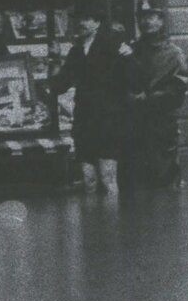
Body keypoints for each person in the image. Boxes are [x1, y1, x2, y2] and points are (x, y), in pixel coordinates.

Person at [43, 11, 132, 195]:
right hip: (84, 123)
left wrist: (129, 55)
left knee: (108, 180)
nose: (80, 23)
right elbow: (59, 85)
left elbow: (133, 80)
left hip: (108, 122)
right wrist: (55, 59)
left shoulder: (113, 47)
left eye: (86, 18)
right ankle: (93, 223)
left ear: (97, 22)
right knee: (88, 180)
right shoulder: (76, 52)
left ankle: (115, 222)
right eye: (77, 19)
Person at [122, 3, 188, 190]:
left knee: (164, 180)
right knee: (136, 184)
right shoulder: (132, 51)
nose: (146, 22)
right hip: (134, 125)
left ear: (161, 21)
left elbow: (176, 91)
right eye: (142, 17)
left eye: (151, 17)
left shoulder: (174, 54)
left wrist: (147, 99)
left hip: (161, 125)